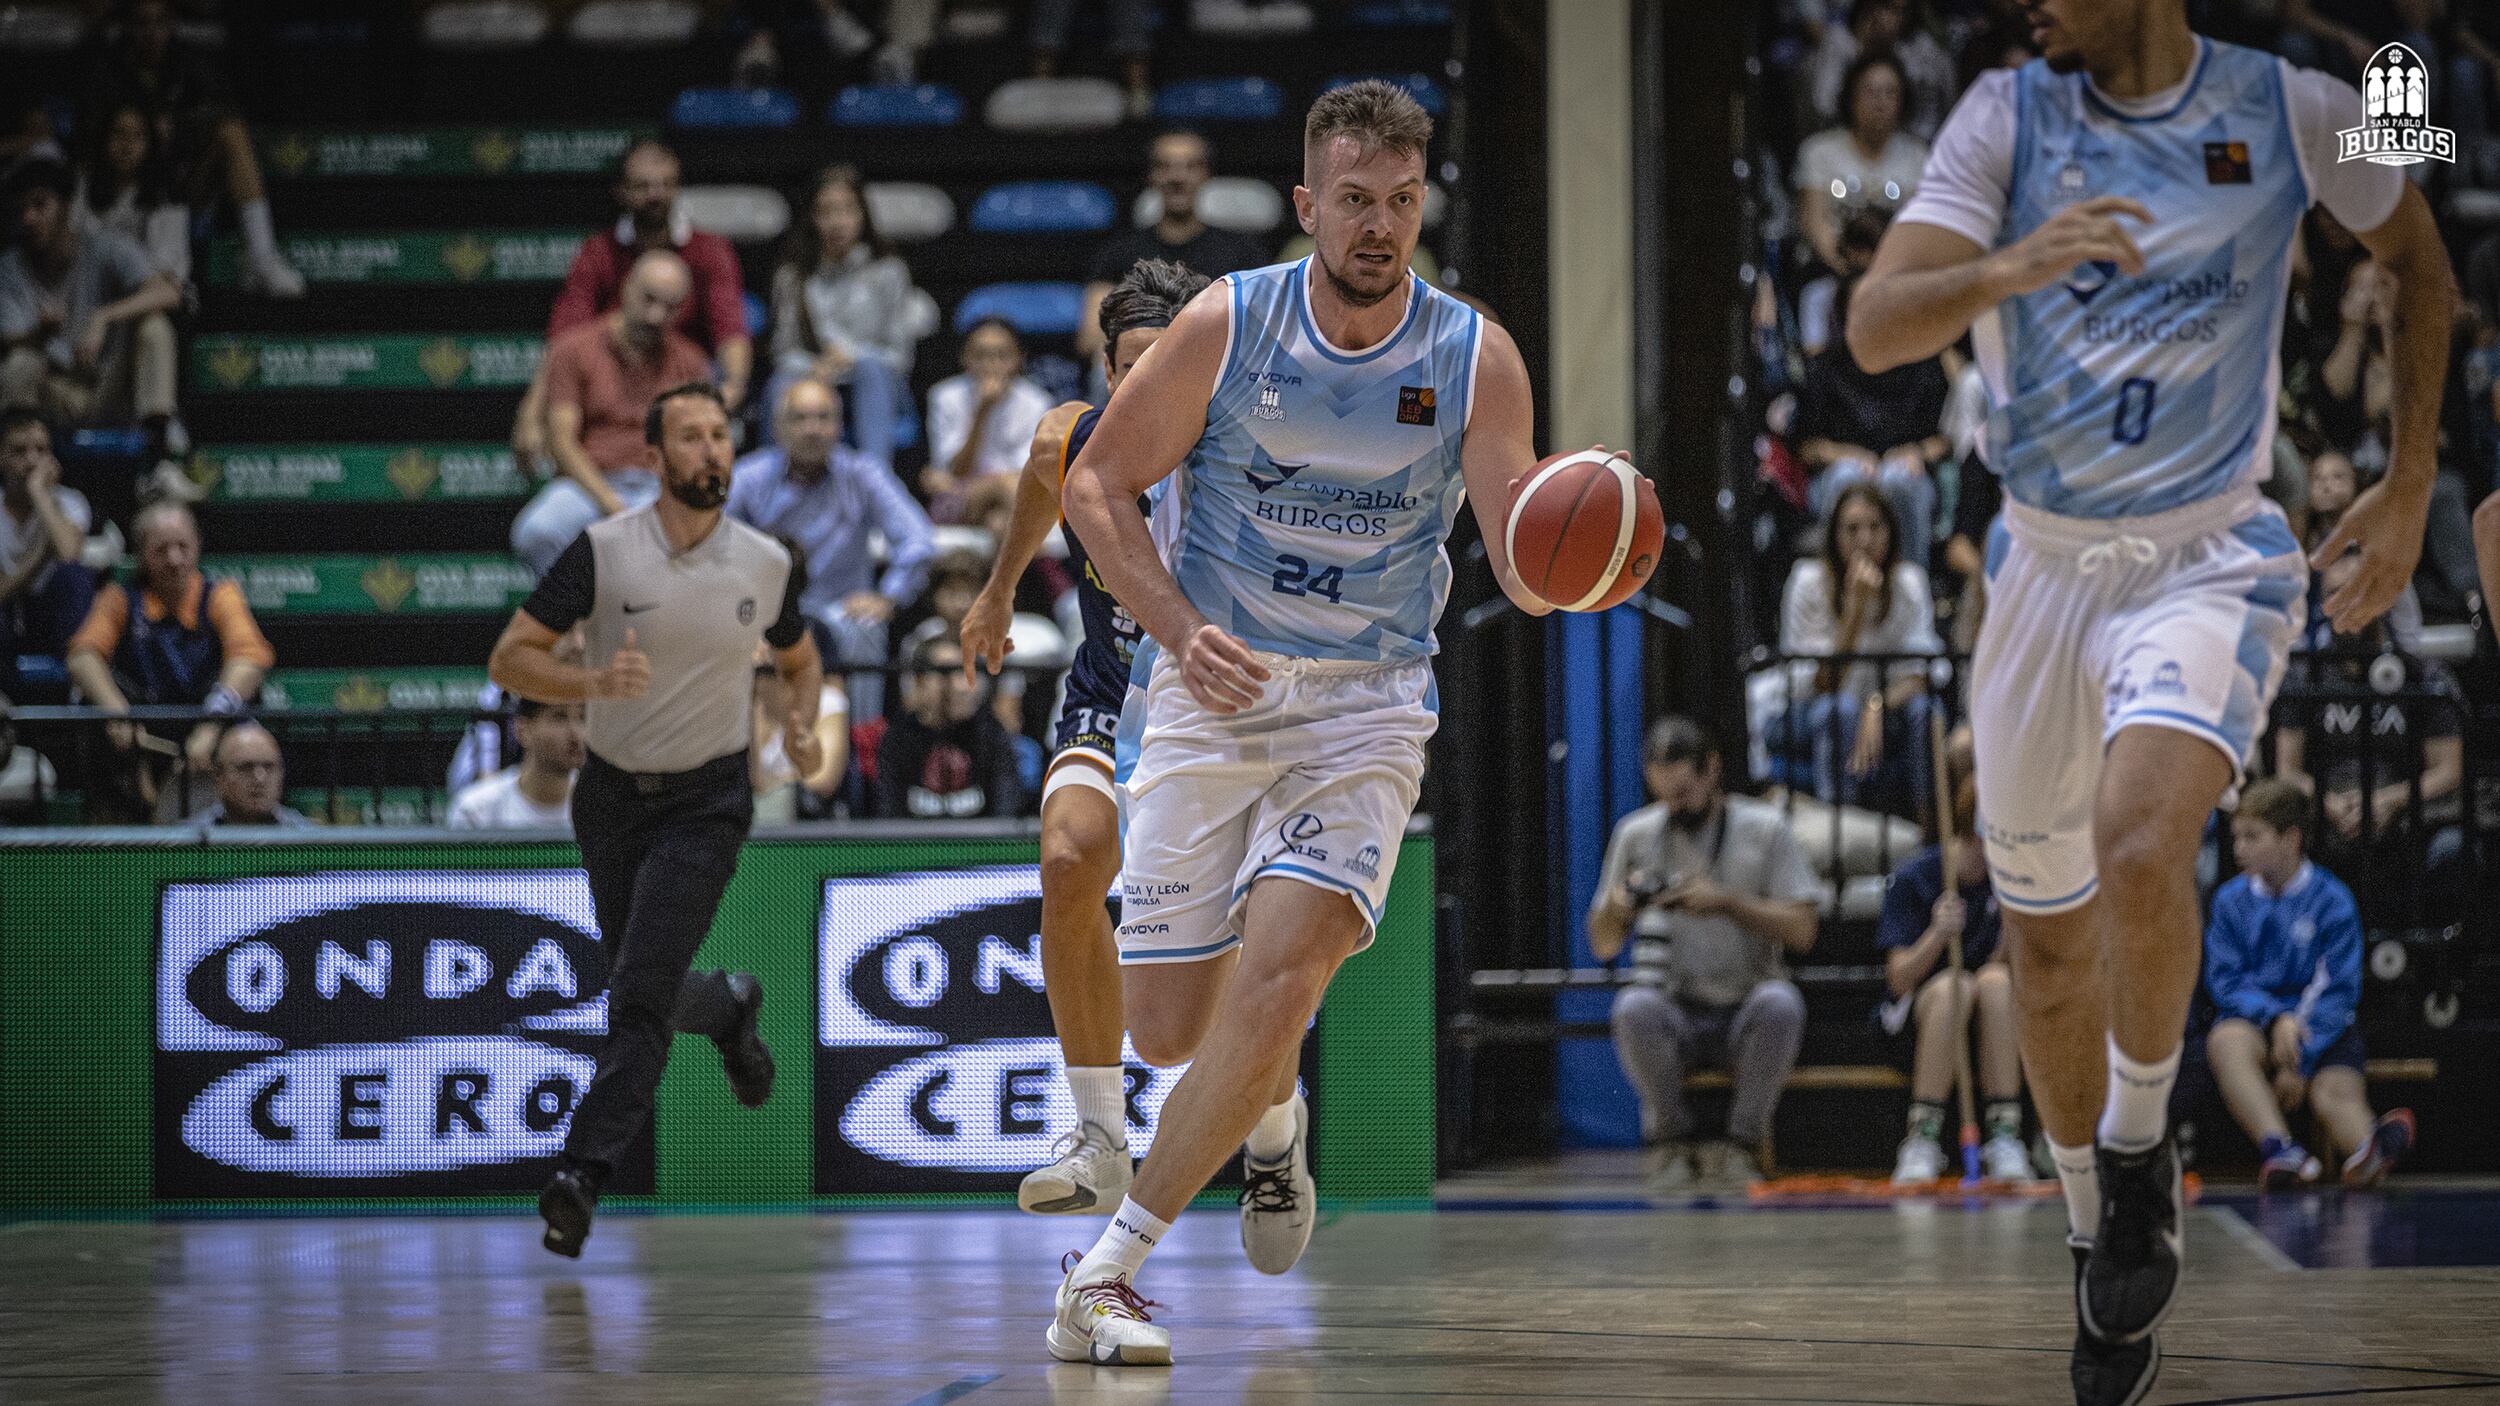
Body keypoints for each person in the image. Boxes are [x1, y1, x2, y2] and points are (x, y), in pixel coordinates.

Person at [1848, 2, 2452, 1399]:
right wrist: (2009, 267)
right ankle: (2094, 1226)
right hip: (2040, 565)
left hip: (2208, 553)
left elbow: (2422, 262)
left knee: (2140, 835)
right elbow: (1877, 326)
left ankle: (2138, 1143)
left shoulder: (2300, 107)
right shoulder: (2004, 113)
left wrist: (2412, 477)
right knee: (2047, 949)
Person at [1045, 80, 1611, 1366]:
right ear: (1307, 204)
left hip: (1365, 708)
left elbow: (1521, 562)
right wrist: (1184, 630)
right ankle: (1270, 1118)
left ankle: (1105, 1271)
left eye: (1402, 203)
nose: (1379, 226)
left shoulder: (1474, 354)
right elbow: (1095, 485)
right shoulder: (1225, 324)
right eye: (1354, 201)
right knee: (1170, 1032)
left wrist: (1583, 554)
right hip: (1215, 688)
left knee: (1288, 970)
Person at [487, 381, 823, 1258]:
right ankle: (728, 1008)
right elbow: (510, 658)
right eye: (691, 437)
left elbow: (800, 654)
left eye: (721, 435)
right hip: (610, 799)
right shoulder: (600, 552)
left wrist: (798, 721)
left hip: (707, 803)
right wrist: (594, 684)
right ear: (653, 457)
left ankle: (580, 1175)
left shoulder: (764, 561)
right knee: (652, 983)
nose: (712, 450)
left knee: (634, 997)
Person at [962, 257, 1211, 1216]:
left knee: (1206, 975)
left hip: (1214, 706)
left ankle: (1275, 1130)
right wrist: (996, 593)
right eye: (1129, 372)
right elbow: (1041, 477)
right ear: (1109, 375)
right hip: (1115, 689)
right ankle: (1099, 1133)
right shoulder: (1076, 438)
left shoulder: (1239, 459)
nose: (1145, 390)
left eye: (1166, 370)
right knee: (1068, 860)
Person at [1589, 718, 1819, 1189]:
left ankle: (1742, 1145)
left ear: (1712, 770)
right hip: (1674, 1003)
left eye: (1687, 793)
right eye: (1666, 795)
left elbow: (1803, 930)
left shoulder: (1765, 827)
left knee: (1781, 1003)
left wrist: (1728, 904)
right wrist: (1621, 906)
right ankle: (1670, 1142)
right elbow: (1603, 943)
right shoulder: (1636, 833)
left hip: (1744, 1003)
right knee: (1633, 1007)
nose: (1678, 806)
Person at [2205, 777, 2414, 1190]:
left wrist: (2300, 1054)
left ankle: (2367, 1152)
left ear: (2291, 838)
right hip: (2260, 1026)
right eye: (2236, 837)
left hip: (2322, 1028)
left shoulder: (2332, 900)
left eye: (2252, 836)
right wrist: (2275, 1018)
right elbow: (2226, 981)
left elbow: (2338, 989)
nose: (2238, 849)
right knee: (2225, 1041)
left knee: (2333, 1095)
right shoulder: (2230, 901)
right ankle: (2281, 1151)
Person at [513, 140, 752, 468]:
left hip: (683, 378)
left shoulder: (710, 250)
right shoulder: (598, 252)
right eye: (642, 186)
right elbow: (563, 342)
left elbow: (731, 329)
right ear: (621, 191)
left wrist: (731, 390)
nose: (655, 194)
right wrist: (531, 414)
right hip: (611, 381)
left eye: (665, 185)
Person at [2274, 552, 2467, 925]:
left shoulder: (2423, 675)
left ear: (2382, 596)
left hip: (2408, 814)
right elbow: (2287, 770)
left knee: (2453, 849)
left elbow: (2448, 769)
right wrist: (2327, 802)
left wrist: (2388, 801)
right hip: (2326, 813)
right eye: (2334, 594)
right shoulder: (2304, 676)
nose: (2344, 605)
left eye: (2356, 591)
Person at [728, 377, 933, 719]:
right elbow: (717, 543)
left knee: (866, 627)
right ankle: (752, 748)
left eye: (823, 418)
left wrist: (889, 597)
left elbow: (918, 539)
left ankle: (862, 740)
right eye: (800, 419)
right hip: (766, 610)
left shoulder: (863, 473)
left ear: (839, 426)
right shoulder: (749, 477)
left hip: (842, 608)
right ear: (778, 427)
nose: (813, 429)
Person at [64, 501, 272, 821]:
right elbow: (82, 657)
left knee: (245, 709)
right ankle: (112, 830)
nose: (174, 559)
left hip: (206, 729)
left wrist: (210, 726)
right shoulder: (120, 598)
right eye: (161, 549)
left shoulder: (220, 595)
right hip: (140, 735)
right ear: (143, 554)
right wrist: (116, 712)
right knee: (92, 706)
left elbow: (250, 657)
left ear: (197, 547)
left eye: (182, 546)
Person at [510, 251, 715, 576]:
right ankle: (574, 619)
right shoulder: (573, 349)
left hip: (658, 487)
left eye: (670, 306)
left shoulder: (689, 361)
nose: (656, 315)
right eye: (648, 299)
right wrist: (611, 504)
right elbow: (562, 442)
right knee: (537, 531)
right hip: (588, 483)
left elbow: (697, 446)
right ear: (626, 288)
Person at [81, 0, 302, 297]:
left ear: (171, 24)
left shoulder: (188, 61)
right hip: (124, 189)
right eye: (143, 23)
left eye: (160, 23)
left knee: (231, 132)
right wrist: (143, 126)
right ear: (129, 26)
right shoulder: (108, 68)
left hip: (179, 188)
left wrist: (177, 125)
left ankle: (261, 257)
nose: (152, 32)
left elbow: (224, 106)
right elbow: (91, 131)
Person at [1875, 771, 2029, 1185]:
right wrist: (1937, 935)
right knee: (1954, 985)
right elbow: (1899, 979)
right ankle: (1922, 1138)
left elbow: (2000, 972)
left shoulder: (2008, 882)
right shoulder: (1915, 879)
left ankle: (2005, 1135)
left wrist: (2014, 931)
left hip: (1985, 1023)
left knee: (1996, 981)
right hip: (1922, 1019)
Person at [0, 157, 185, 490]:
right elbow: (9, 341)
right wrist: (40, 334)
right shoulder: (10, 267)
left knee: (154, 326)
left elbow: (170, 291)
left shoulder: (104, 247)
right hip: (54, 393)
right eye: (22, 209)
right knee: (20, 363)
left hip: (110, 386)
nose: (29, 218)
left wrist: (104, 316)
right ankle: (20, 472)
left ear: (66, 207)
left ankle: (157, 461)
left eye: (40, 205)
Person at [1769, 483, 1943, 814]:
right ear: (1834, 535)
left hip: (1882, 712)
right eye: (1852, 529)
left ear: (1891, 531)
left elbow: (1922, 672)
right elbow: (1821, 684)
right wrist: (1854, 612)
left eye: (1875, 527)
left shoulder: (1909, 581)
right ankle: (1841, 833)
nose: (1864, 540)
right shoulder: (1807, 580)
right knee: (1839, 709)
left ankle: (1928, 832)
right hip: (1810, 711)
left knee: (1926, 709)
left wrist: (1876, 705)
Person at [765, 164, 935, 465]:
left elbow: (899, 356)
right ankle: (776, 488)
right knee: (782, 382)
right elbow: (783, 350)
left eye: (847, 210)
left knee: (872, 370)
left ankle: (874, 483)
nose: (837, 222)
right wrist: (815, 368)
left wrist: (852, 358)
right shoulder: (792, 276)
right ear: (812, 218)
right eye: (826, 212)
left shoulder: (889, 271)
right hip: (815, 378)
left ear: (863, 216)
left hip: (875, 382)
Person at [1076, 132, 1272, 373]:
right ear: (1151, 175)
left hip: (1218, 370)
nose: (1178, 177)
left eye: (1191, 166)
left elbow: (1264, 329)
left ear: (1206, 174)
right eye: (1165, 166)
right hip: (1140, 373)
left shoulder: (1242, 252)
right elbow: (1091, 337)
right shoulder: (1118, 253)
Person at [1796, 52, 1931, 277]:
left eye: (1890, 93)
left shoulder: (1919, 156)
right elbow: (1815, 220)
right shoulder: (1818, 151)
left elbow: (1921, 227)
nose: (1880, 102)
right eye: (1871, 92)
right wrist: (1847, 271)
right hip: (1830, 273)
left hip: (1898, 274)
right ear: (1851, 97)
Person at [873, 632, 1023, 819]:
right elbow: (889, 818)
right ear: (920, 682)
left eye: (967, 672)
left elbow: (1005, 817)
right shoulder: (898, 737)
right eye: (947, 674)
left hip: (978, 846)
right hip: (916, 847)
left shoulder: (990, 731)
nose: (962, 686)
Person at [0, 410, 96, 697]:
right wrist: (42, 553)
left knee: (75, 579)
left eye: (41, 450)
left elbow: (68, 554)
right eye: (19, 451)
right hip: (7, 619)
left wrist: (40, 495)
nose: (32, 461)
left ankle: (79, 689)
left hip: (51, 617)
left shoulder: (71, 502)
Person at [923, 318, 1053, 520]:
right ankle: (1050, 545)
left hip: (1011, 498)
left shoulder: (1037, 401)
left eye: (1002, 356)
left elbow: (1028, 472)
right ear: (965, 358)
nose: (991, 365)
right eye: (980, 355)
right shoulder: (944, 396)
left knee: (999, 524)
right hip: (961, 499)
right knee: (1006, 487)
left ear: (1019, 359)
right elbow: (957, 472)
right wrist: (983, 412)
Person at [1808, 0, 1957, 141]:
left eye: (1901, 11)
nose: (1895, 18)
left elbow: (1934, 112)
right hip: (1847, 139)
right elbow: (1823, 105)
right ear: (1869, 7)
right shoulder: (1839, 40)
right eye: (1888, 8)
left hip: (1910, 143)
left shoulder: (1920, 47)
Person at [76, 103, 189, 286]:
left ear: (151, 143)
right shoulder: (86, 184)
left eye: (138, 136)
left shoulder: (166, 194)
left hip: (153, 291)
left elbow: (167, 265)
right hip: (95, 289)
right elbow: (75, 240)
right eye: (118, 133)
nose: (127, 145)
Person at [446, 698, 586, 830]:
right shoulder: (475, 811)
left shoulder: (603, 807)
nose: (576, 734)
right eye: (559, 717)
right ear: (523, 730)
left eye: (582, 717)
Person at [189, 721, 311, 828]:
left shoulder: (310, 841)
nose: (260, 778)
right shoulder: (187, 844)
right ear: (219, 776)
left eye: (269, 767)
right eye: (245, 767)